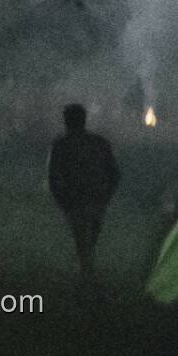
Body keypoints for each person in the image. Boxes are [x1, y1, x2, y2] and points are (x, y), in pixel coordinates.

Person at [48, 104, 120, 278]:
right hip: (96, 196)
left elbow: (53, 174)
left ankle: (84, 267)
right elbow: (114, 173)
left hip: (74, 196)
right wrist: (106, 194)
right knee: (91, 231)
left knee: (81, 233)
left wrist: (61, 197)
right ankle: (86, 267)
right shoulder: (99, 143)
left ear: (66, 121)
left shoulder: (62, 144)